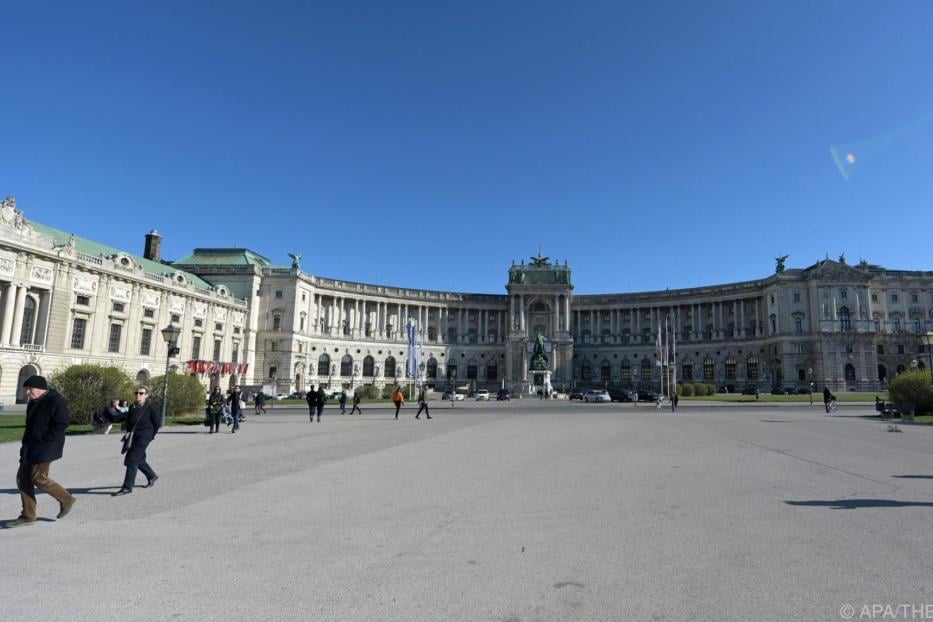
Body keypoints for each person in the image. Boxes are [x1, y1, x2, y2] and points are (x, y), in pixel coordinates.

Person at [8, 375, 76, 528]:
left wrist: (45, 438)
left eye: (29, 389)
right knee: (22, 480)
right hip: (30, 446)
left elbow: (62, 423)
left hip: (46, 446)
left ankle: (66, 499)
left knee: (39, 478)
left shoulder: (55, 400)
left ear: (40, 389)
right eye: (26, 390)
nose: (27, 393)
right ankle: (28, 515)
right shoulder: (33, 401)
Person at [112, 385, 161, 496]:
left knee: (132, 458)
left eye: (141, 393)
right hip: (133, 436)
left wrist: (151, 435)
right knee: (140, 459)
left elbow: (157, 423)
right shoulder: (133, 406)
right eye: (137, 393)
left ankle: (127, 487)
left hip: (144, 436)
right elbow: (126, 418)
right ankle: (152, 476)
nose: (138, 395)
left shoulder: (151, 407)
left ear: (146, 395)